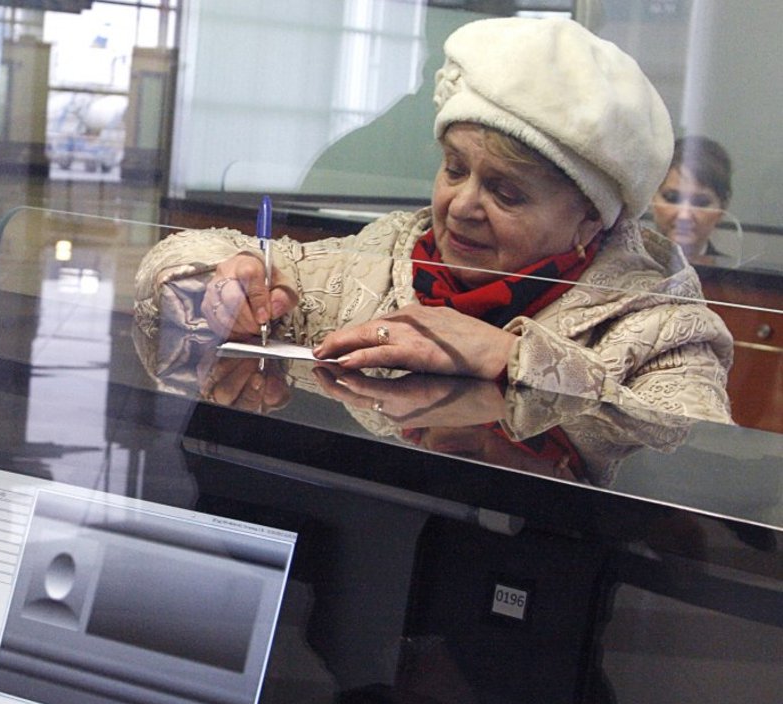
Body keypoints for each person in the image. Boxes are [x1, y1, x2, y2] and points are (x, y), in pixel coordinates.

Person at [134, 17, 733, 424]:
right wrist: (224, 279)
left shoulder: (656, 323)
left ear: (587, 221)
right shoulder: (385, 258)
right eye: (454, 168)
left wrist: (509, 357)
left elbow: (688, 447)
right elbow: (176, 263)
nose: (462, 205)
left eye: (506, 192)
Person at [650, 135, 734, 264]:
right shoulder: (623, 267)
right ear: (651, 198)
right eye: (672, 198)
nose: (684, 216)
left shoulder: (733, 273)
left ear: (723, 207)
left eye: (701, 202)